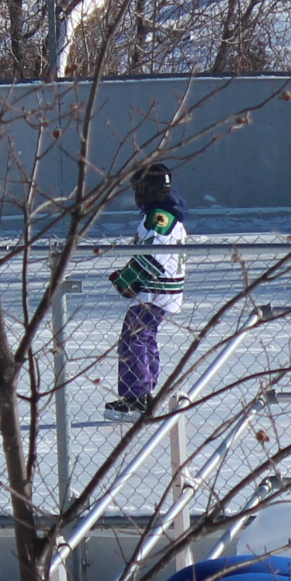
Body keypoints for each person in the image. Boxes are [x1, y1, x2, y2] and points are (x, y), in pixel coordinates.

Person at [107, 160, 189, 418]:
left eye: (138, 189)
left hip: (155, 290)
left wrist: (127, 278)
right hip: (157, 287)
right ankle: (145, 391)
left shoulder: (159, 217)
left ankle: (136, 398)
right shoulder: (163, 213)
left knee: (134, 340)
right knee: (145, 337)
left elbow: (154, 255)